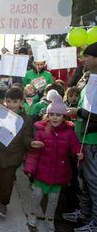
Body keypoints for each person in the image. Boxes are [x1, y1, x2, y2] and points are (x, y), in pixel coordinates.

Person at [24, 94, 83, 231]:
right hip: (41, 171)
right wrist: (30, 168)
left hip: (59, 172)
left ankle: (49, 218)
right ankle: (32, 214)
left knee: (53, 198)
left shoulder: (69, 133)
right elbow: (34, 153)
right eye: (52, 114)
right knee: (37, 195)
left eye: (58, 114)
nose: (55, 117)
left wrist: (79, 153)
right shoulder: (41, 131)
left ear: (64, 117)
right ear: (48, 115)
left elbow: (75, 146)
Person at [0, 87, 41, 217]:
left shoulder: (26, 119)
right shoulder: (1, 114)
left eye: (15, 101)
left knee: (8, 180)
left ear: (21, 101)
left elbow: (27, 136)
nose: (11, 105)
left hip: (15, 154)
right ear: (5, 100)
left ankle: (4, 204)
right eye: (9, 101)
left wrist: (31, 143)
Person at [63, 42, 97, 232]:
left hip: (93, 141)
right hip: (84, 140)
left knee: (93, 183)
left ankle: (95, 221)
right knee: (85, 181)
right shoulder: (90, 79)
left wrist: (78, 112)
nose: (83, 59)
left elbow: (94, 114)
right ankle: (84, 213)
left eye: (87, 56)